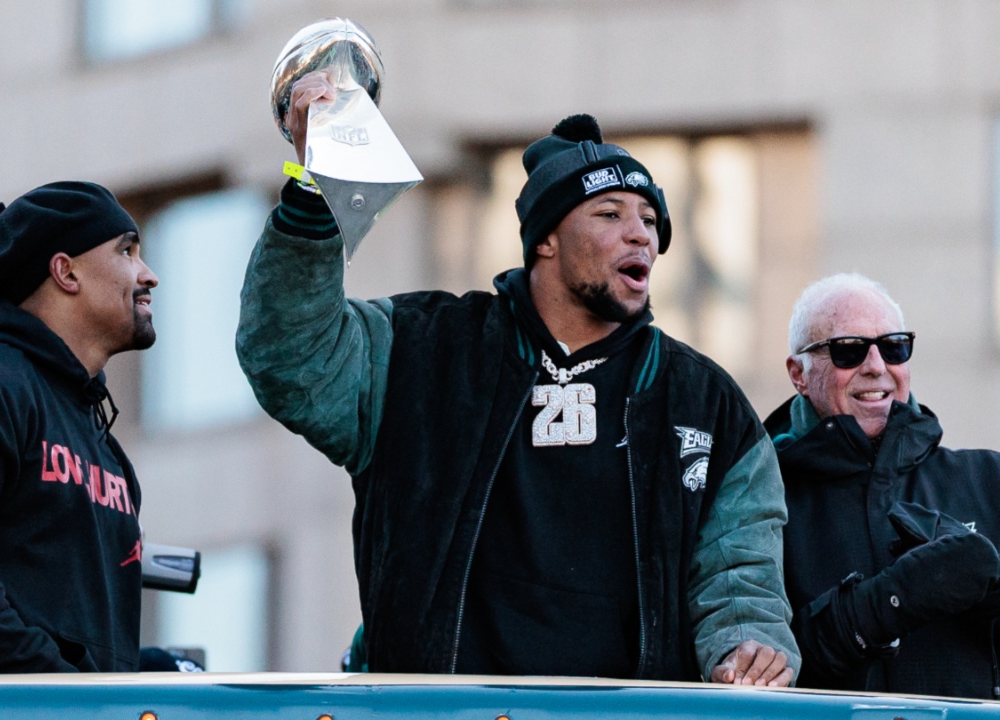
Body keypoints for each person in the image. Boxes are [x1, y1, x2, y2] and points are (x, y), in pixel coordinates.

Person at [237, 72, 799, 684]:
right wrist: (320, 187)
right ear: (547, 240)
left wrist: (747, 647)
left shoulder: (706, 402)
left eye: (648, 218)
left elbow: (740, 576)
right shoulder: (420, 349)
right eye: (610, 213)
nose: (641, 231)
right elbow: (290, 355)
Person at [763, 273, 1000, 699]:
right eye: (849, 351)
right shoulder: (760, 492)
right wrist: (890, 600)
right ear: (798, 373)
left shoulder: (990, 480)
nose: (877, 366)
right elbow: (755, 663)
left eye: (894, 346)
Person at [0, 181, 158, 673]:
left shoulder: (106, 446)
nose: (149, 275)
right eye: (127, 250)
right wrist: (64, 691)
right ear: (65, 271)